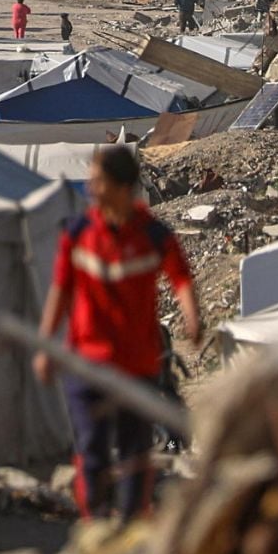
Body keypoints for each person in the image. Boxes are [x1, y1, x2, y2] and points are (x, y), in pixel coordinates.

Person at [35, 147, 201, 521]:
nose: (91, 188)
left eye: (99, 180)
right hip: (86, 362)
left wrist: (192, 318)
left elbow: (181, 278)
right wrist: (46, 347)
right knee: (91, 450)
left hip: (136, 364)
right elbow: (60, 292)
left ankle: (129, 524)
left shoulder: (153, 235)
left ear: (122, 186)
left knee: (134, 452)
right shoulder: (78, 234)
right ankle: (94, 523)